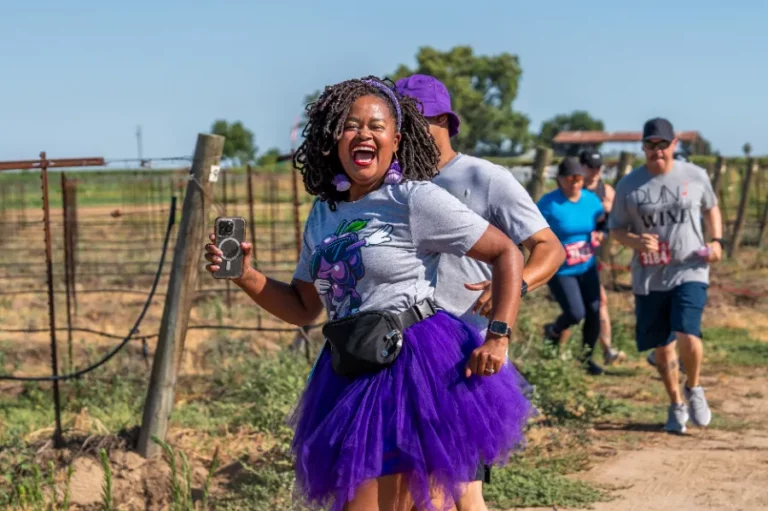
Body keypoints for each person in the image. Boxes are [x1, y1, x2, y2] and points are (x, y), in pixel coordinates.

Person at [205, 76, 535, 511]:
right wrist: (246, 275)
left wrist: (498, 334)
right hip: (349, 368)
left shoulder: (414, 199)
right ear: (333, 138)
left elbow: (506, 252)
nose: (364, 134)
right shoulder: (325, 211)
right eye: (351, 125)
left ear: (395, 140)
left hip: (417, 368)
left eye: (376, 126)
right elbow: (304, 308)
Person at [394, 73, 565, 511]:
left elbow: (548, 248)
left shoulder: (483, 177)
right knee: (426, 490)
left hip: (464, 355)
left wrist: (516, 283)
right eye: (400, 121)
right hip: (404, 355)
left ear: (445, 122)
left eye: (417, 121)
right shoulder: (392, 187)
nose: (407, 132)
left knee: (455, 490)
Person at [609, 117, 723, 434]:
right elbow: (615, 229)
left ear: (674, 145)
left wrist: (717, 242)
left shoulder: (695, 176)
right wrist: (634, 240)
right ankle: (675, 403)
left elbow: (712, 208)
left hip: (690, 268)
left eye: (663, 144)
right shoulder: (629, 185)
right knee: (662, 347)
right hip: (649, 275)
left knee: (688, 332)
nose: (657, 150)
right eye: (650, 144)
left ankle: (695, 387)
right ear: (643, 147)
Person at [538, 157, 607, 375]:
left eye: (578, 178)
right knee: (576, 313)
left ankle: (587, 359)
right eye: (570, 178)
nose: (575, 182)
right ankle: (553, 330)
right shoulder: (548, 204)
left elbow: (602, 222)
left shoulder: (591, 200)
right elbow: (532, 231)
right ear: (559, 179)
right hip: (561, 269)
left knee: (594, 311)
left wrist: (600, 233)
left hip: (587, 266)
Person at [579, 149, 626, 366]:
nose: (595, 171)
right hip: (571, 256)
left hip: (594, 254)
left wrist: (604, 231)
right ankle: (558, 346)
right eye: (591, 166)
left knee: (598, 301)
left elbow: (613, 222)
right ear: (582, 166)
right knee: (582, 306)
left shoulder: (606, 191)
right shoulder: (573, 188)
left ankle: (605, 349)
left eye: (598, 167)